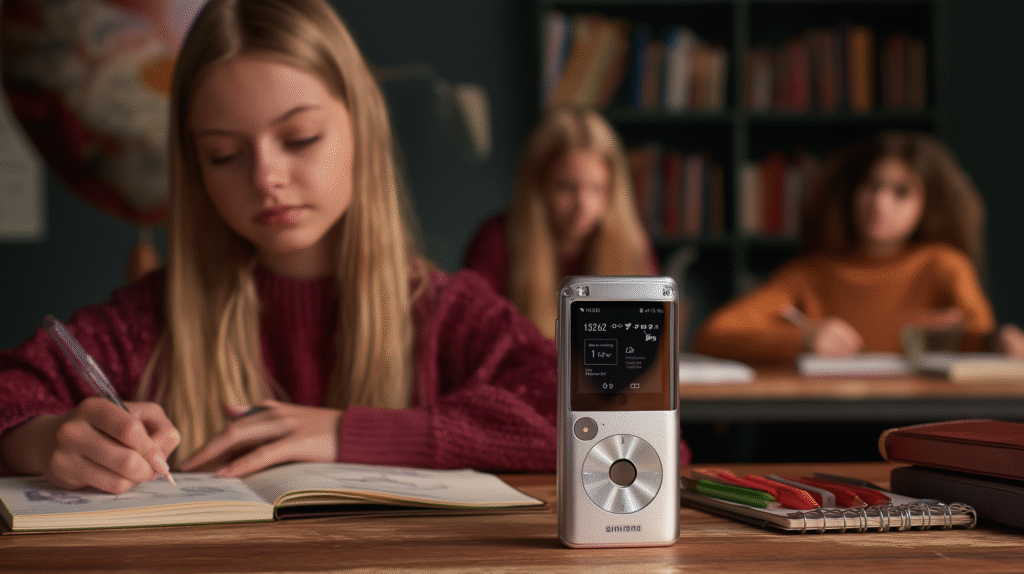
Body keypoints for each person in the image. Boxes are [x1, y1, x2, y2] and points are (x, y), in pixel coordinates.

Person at [0, 0, 560, 494]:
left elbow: (579, 413)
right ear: (196, 168)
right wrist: (46, 441)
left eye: (300, 139)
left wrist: (348, 432)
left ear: (361, 130)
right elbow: (11, 397)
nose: (266, 177)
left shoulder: (446, 313)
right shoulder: (147, 321)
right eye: (224, 154)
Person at [693, 129, 1024, 363]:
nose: (879, 202)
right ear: (851, 192)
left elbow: (978, 337)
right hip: (828, 423)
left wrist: (1001, 343)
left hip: (923, 423)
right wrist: (801, 340)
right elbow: (714, 334)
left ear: (929, 204)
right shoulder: (809, 274)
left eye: (901, 192)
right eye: (871, 185)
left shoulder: (943, 265)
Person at [463, 106, 659, 339]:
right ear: (537, 186)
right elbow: (473, 335)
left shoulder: (632, 243)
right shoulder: (495, 241)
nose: (582, 204)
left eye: (597, 189)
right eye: (566, 187)